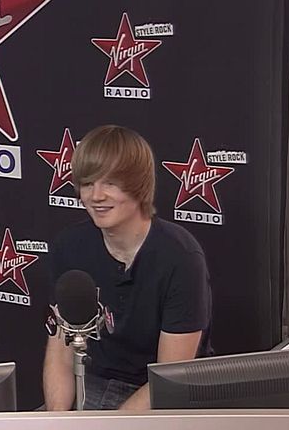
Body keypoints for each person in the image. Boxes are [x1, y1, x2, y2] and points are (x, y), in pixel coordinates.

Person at [42, 125, 212, 410]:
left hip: (162, 393)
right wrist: (58, 422)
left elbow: (169, 378)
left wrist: (112, 425)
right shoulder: (68, 247)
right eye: (88, 183)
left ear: (139, 185)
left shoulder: (181, 257)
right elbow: (61, 353)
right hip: (93, 384)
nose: (96, 196)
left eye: (110, 183)